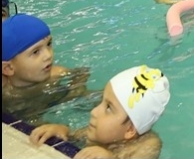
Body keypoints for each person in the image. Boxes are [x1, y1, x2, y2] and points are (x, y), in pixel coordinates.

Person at [29, 65, 170, 159]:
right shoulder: (99, 132)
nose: (94, 111)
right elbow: (74, 136)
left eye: (108, 108)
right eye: (101, 102)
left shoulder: (148, 145)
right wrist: (62, 131)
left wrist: (110, 157)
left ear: (130, 129)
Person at [2, 14, 90, 124]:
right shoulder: (5, 91)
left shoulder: (56, 73)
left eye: (49, 44)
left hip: (57, 99)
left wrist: (75, 90)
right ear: (8, 68)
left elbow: (81, 72)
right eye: (36, 52)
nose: (48, 55)